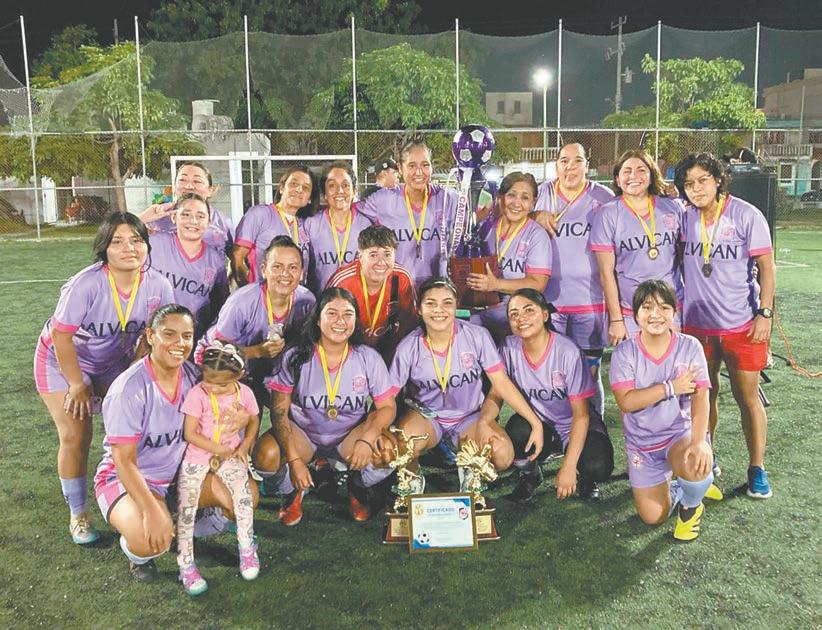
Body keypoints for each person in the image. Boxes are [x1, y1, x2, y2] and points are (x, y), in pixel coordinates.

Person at [34, 212, 173, 546]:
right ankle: (79, 514)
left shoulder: (158, 285)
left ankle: (133, 496)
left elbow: (157, 334)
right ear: (104, 249)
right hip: (61, 362)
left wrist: (137, 370)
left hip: (113, 363)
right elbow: (61, 336)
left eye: (136, 240)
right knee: (76, 435)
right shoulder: (87, 283)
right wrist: (77, 384)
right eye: (117, 241)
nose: (129, 248)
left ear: (147, 245)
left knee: (135, 430)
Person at [674, 153, 776, 498]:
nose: (696, 188)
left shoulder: (746, 214)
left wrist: (765, 313)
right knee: (705, 394)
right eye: (689, 183)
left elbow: (767, 267)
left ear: (718, 179)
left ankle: (757, 467)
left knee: (748, 398)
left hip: (741, 324)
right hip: (696, 326)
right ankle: (708, 455)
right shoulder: (684, 217)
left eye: (703, 180)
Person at [389, 277, 544, 493]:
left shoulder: (476, 336)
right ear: (419, 309)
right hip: (426, 418)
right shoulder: (408, 347)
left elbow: (501, 383)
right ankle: (412, 478)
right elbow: (387, 398)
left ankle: (470, 468)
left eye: (447, 303)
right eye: (430, 303)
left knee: (502, 454)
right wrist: (378, 431)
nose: (439, 310)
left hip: (468, 418)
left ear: (456, 306)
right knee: (404, 441)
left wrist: (535, 423)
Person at [259, 288, 397, 525]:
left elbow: (387, 407)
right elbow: (279, 412)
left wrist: (367, 440)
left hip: (348, 436)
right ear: (317, 318)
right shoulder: (295, 356)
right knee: (265, 455)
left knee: (387, 451)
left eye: (348, 314)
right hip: (304, 435)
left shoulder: (368, 357)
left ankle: (357, 486)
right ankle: (292, 490)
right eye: (332, 313)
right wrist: (294, 460)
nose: (340, 321)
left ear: (356, 319)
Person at [609, 280, 722, 541]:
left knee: (696, 462)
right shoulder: (624, 353)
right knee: (653, 517)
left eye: (663, 307)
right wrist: (671, 387)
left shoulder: (689, 346)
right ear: (635, 314)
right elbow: (627, 402)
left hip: (678, 435)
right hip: (642, 444)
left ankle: (691, 507)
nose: (655, 314)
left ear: (674, 312)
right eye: (647, 307)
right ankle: (684, 488)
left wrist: (699, 441)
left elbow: (701, 396)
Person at [489, 289, 614, 503]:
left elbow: (581, 415)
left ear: (545, 314)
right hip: (537, 423)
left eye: (529, 310)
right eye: (514, 314)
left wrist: (569, 467)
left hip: (573, 423)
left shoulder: (568, 352)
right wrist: (486, 421)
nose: (521, 318)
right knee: (515, 433)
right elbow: (496, 393)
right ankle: (531, 474)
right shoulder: (508, 347)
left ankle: (585, 478)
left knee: (598, 465)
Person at [532, 142, 615, 429]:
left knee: (589, 372)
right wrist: (534, 215)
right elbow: (511, 213)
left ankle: (594, 431)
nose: (570, 167)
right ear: (556, 165)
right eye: (564, 161)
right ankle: (557, 431)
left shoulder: (603, 197)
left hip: (590, 302)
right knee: (553, 373)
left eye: (577, 160)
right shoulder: (541, 194)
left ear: (586, 165)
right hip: (550, 303)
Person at [198, 236, 316, 423]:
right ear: (263, 270)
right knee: (236, 427)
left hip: (271, 372)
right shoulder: (241, 302)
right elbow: (216, 355)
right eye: (277, 267)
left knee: (300, 417)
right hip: (223, 365)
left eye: (293, 267)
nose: (285, 274)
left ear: (302, 273)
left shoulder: (307, 301)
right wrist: (258, 351)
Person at [176, 341, 261, 595]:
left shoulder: (245, 393)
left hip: (230, 455)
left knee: (243, 497)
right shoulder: (197, 394)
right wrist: (217, 448)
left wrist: (245, 445)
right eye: (208, 380)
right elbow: (190, 433)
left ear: (239, 375)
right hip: (198, 457)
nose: (213, 388)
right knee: (186, 509)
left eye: (221, 384)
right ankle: (186, 565)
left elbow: (254, 420)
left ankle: (247, 549)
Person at [590, 149, 685, 344]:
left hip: (671, 308)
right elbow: (606, 273)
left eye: (641, 170)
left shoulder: (672, 207)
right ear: (617, 180)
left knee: (675, 361)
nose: (633, 176)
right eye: (626, 171)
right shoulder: (607, 214)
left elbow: (686, 258)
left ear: (652, 175)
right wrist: (616, 319)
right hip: (632, 311)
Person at [465, 171, 552, 342]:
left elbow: (538, 284)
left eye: (525, 198)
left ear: (533, 203)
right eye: (511, 195)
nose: (517, 203)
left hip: (515, 323)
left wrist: (496, 284)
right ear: (500, 197)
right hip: (478, 317)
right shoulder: (485, 228)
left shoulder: (536, 235)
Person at [358, 140, 458, 286]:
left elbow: (479, 214)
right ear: (400, 168)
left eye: (425, 165)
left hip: (436, 290)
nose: (419, 172)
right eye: (412, 165)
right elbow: (351, 213)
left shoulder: (448, 199)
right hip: (398, 289)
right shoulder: (383, 200)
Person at [327, 225, 418, 362]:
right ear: (360, 256)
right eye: (373, 255)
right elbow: (326, 326)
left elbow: (411, 326)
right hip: (349, 352)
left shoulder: (401, 278)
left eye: (387, 254)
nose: (381, 262)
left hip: (388, 352)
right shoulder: (343, 282)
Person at [148, 193, 229, 341]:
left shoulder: (215, 260)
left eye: (200, 216)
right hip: (152, 335)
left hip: (188, 339)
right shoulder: (153, 244)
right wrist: (143, 218)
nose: (193, 221)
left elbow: (220, 302)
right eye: (185, 214)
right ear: (174, 217)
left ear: (209, 221)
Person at [232, 166, 318, 285]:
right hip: (262, 293)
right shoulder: (259, 214)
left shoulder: (305, 225)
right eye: (293, 184)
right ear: (282, 188)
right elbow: (238, 257)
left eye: (305, 188)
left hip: (294, 294)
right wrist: (249, 292)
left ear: (310, 198)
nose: (299, 189)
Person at [304, 161, 372, 294]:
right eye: (332, 185)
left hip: (356, 301)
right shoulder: (311, 224)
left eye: (345, 185)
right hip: (323, 301)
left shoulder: (366, 225)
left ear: (354, 191)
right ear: (325, 194)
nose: (339, 191)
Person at [139, 161, 234, 256]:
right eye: (182, 180)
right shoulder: (155, 218)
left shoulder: (223, 222)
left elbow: (237, 257)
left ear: (210, 190)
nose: (189, 186)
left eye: (197, 181)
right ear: (174, 187)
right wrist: (141, 219)